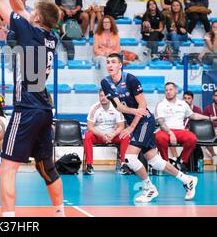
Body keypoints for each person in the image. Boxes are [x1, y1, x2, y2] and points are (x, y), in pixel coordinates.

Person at [0, 0, 65, 217]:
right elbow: (20, 10)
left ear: (37, 19)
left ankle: (8, 218)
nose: (28, 11)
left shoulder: (27, 30)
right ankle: (59, 212)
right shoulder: (50, 37)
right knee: (47, 166)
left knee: (7, 167)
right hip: (44, 109)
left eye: (32, 11)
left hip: (27, 108)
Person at [101, 53, 198, 202]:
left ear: (120, 65)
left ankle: (149, 188)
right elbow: (119, 107)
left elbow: (143, 105)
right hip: (135, 120)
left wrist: (132, 127)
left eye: (113, 62)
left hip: (145, 121)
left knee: (130, 158)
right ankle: (187, 180)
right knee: (155, 161)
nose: (110, 65)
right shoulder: (105, 82)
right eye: (108, 62)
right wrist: (133, 113)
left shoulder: (131, 79)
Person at [155, 82, 216, 171]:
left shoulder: (183, 104)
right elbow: (161, 122)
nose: (168, 92)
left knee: (192, 138)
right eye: (166, 90)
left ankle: (181, 161)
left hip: (180, 130)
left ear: (176, 91)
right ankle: (166, 162)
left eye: (171, 89)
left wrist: (210, 118)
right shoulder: (161, 104)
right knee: (159, 137)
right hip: (166, 130)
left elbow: (193, 115)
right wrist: (170, 133)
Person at [84, 89, 129, 175]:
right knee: (87, 136)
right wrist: (102, 135)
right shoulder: (94, 108)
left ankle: (124, 165)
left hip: (113, 136)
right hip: (99, 136)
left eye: (105, 96)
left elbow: (121, 126)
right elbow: (90, 127)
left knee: (125, 136)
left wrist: (113, 134)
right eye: (101, 96)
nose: (103, 98)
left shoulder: (117, 107)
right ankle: (89, 165)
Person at [93, 15, 121, 82]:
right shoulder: (97, 35)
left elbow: (118, 49)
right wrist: (104, 54)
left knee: (114, 60)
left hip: (112, 55)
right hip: (99, 56)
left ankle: (117, 82)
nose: (106, 24)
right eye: (104, 22)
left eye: (108, 22)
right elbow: (95, 49)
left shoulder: (116, 35)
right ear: (102, 24)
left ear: (111, 24)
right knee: (104, 59)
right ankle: (107, 83)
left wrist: (111, 54)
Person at [203, 89, 217, 166]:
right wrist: (212, 130)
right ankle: (214, 155)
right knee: (205, 135)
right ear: (213, 97)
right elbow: (203, 124)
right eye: (216, 95)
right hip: (211, 131)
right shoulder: (207, 109)